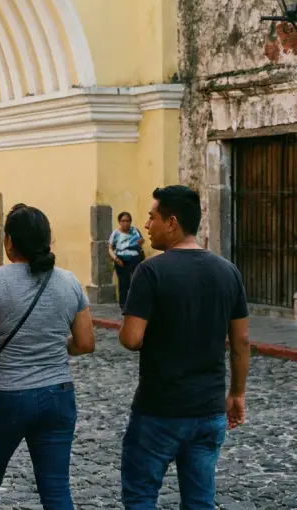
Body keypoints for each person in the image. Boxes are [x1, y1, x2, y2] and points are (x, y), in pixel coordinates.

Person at [0, 203, 95, 509]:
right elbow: (85, 343)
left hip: (3, 397)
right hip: (57, 395)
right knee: (56, 490)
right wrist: (53, 345)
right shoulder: (70, 282)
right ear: (48, 240)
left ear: (8, 241)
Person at [118, 185, 250, 509]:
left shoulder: (150, 272)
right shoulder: (228, 271)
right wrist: (236, 393)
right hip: (208, 408)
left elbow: (132, 338)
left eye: (152, 218)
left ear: (172, 222)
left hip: (159, 409)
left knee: (140, 496)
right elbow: (241, 341)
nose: (147, 225)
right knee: (200, 500)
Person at [108, 211, 145, 309]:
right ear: (119, 222)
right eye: (123, 221)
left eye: (128, 221)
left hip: (135, 259)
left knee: (136, 282)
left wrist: (141, 242)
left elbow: (141, 241)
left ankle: (136, 303)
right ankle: (124, 305)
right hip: (121, 260)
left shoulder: (135, 230)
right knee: (124, 283)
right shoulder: (115, 233)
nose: (125, 223)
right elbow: (110, 248)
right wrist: (116, 259)